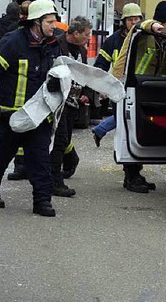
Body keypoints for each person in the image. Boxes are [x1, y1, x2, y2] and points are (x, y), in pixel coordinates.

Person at [0, 0, 62, 217]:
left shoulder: (53, 45)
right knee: (2, 156)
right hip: (12, 115)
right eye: (50, 22)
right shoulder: (13, 42)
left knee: (40, 158)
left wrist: (57, 82)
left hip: (39, 114)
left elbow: (61, 72)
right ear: (36, 22)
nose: (55, 26)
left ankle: (42, 201)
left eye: (55, 21)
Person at [112, 0, 166, 193]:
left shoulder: (165, 41)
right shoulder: (144, 34)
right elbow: (141, 26)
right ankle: (131, 176)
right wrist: (153, 26)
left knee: (140, 131)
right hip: (129, 88)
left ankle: (135, 174)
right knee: (130, 131)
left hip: (147, 90)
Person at [49, 16, 93, 197]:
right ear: (75, 33)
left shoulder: (81, 50)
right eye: (87, 34)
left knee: (64, 140)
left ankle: (65, 167)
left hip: (73, 104)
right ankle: (55, 182)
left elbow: (85, 74)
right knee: (59, 142)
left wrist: (86, 94)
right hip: (58, 102)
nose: (89, 38)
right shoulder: (56, 46)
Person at [92, 3, 142, 147]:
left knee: (133, 121)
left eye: (136, 19)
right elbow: (101, 65)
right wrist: (102, 87)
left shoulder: (146, 39)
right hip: (118, 88)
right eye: (130, 19)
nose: (134, 22)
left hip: (139, 87)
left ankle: (100, 130)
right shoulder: (113, 41)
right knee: (122, 120)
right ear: (124, 21)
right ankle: (124, 153)